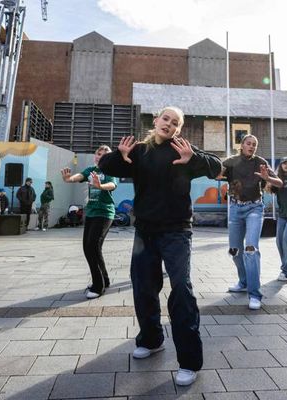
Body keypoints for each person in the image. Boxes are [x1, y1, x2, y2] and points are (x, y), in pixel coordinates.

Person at [99, 106, 222, 387]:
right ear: (156, 121)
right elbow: (106, 166)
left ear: (178, 130)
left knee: (181, 289)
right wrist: (120, 155)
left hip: (177, 231)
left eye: (175, 122)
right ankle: (151, 340)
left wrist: (194, 158)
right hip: (145, 231)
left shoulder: (182, 150)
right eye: (166, 118)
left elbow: (217, 167)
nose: (169, 124)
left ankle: (189, 361)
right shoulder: (140, 151)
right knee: (143, 287)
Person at [221, 134, 283, 310]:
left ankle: (255, 294)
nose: (252, 146)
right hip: (235, 208)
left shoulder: (260, 162)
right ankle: (243, 281)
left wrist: (267, 178)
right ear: (241, 145)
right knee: (234, 250)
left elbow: (278, 183)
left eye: (254, 144)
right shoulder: (231, 161)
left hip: (254, 209)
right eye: (248, 143)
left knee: (250, 249)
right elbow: (216, 173)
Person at [61, 145, 117, 299]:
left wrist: (100, 185)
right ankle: (104, 279)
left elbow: (112, 185)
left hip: (104, 213)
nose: (101, 156)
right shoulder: (91, 170)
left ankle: (98, 286)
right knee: (90, 247)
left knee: (92, 247)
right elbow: (79, 176)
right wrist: (69, 179)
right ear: (95, 156)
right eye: (99, 154)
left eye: (105, 154)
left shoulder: (111, 170)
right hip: (91, 212)